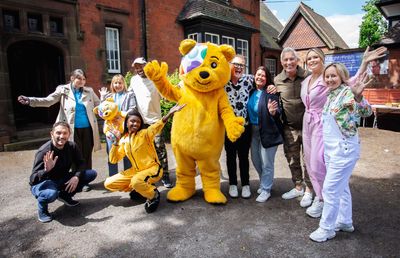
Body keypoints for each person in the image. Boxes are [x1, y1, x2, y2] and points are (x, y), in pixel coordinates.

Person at [301, 46, 387, 218]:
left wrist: (363, 63)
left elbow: (351, 82)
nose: (312, 61)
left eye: (315, 57)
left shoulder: (329, 79)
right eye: (309, 58)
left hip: (322, 123)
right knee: (309, 163)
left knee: (319, 164)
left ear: (322, 59)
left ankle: (324, 199)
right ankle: (321, 197)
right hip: (307, 123)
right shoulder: (306, 80)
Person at [309, 63, 372, 242]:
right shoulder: (331, 95)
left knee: (329, 190)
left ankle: (326, 228)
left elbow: (366, 112)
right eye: (327, 76)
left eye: (333, 76)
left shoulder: (347, 92)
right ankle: (344, 221)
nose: (330, 79)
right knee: (341, 187)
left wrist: (359, 97)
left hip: (344, 149)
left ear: (342, 77)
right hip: (332, 150)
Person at [18, 69, 101, 191]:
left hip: (88, 128)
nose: (82, 81)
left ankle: (84, 180)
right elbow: (48, 101)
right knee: (74, 154)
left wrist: (106, 104)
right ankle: (74, 179)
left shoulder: (89, 91)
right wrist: (31, 100)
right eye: (79, 79)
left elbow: (98, 105)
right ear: (72, 78)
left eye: (84, 79)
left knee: (86, 155)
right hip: (70, 129)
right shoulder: (63, 90)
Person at [104, 104, 185, 213]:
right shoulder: (124, 140)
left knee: (136, 181)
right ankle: (138, 188)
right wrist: (116, 143)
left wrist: (169, 113)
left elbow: (157, 126)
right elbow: (113, 160)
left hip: (153, 169)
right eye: (132, 121)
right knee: (109, 183)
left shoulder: (145, 134)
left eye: (138, 122)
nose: (135, 123)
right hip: (136, 172)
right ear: (126, 122)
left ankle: (153, 194)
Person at [30, 122, 97, 223]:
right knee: (51, 194)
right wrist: (46, 170)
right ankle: (43, 211)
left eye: (65, 133)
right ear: (51, 134)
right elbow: (32, 179)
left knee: (91, 174)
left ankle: (65, 196)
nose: (61, 136)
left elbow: (81, 163)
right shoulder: (44, 151)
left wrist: (76, 177)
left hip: (62, 178)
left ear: (69, 134)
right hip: (45, 182)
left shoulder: (72, 146)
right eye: (58, 133)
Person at [274, 47, 313, 207]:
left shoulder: (308, 76)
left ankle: (309, 190)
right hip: (289, 128)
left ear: (297, 60)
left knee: (309, 160)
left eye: (292, 59)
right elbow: (275, 99)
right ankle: (298, 187)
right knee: (292, 159)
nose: (289, 62)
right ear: (282, 62)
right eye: (286, 60)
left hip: (309, 127)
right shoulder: (277, 80)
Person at [128, 57, 173, 188]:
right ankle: (149, 175)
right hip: (140, 122)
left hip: (155, 121)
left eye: (140, 66)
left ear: (146, 66)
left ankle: (165, 176)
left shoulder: (155, 79)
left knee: (160, 149)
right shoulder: (134, 80)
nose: (138, 69)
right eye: (136, 67)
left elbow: (166, 92)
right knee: (143, 151)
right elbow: (129, 97)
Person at [247, 66, 283, 203]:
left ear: (267, 78)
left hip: (268, 131)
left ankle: (266, 189)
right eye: (258, 74)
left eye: (263, 75)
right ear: (254, 76)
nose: (260, 77)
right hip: (253, 131)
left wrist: (273, 112)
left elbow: (278, 111)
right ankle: (265, 182)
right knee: (256, 159)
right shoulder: (251, 91)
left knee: (267, 162)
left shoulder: (270, 92)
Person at [224, 55, 254, 198]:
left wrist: (271, 86)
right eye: (236, 64)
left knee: (243, 156)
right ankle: (233, 184)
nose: (239, 67)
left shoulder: (249, 80)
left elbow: (263, 81)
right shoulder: (222, 82)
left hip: (244, 127)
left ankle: (246, 184)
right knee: (230, 156)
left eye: (242, 65)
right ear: (230, 65)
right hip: (229, 128)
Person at [99, 74, 137, 176]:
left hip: (124, 128)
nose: (117, 85)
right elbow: (102, 110)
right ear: (112, 84)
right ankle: (113, 177)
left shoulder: (129, 95)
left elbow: (133, 108)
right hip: (111, 129)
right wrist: (102, 98)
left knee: (127, 153)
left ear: (123, 84)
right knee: (112, 153)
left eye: (119, 83)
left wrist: (121, 115)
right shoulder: (110, 96)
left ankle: (127, 177)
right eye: (115, 83)